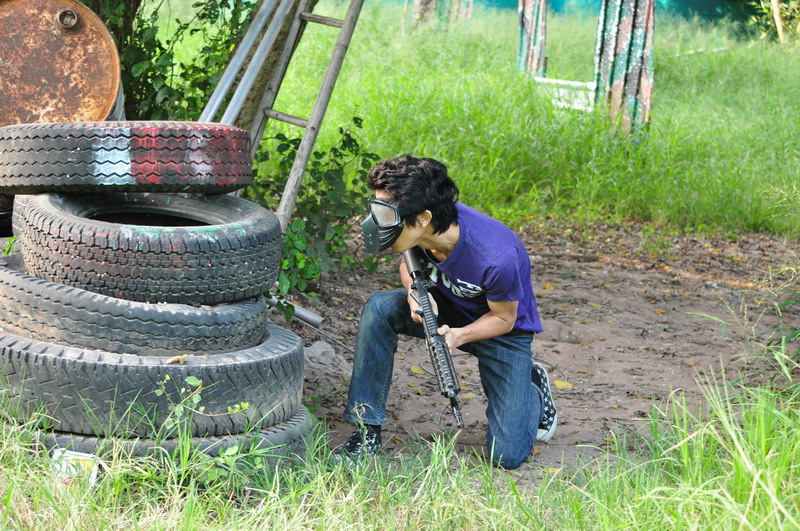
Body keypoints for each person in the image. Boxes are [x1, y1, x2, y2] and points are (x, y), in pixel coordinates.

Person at [336, 155, 556, 469]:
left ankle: (532, 387)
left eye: (385, 214)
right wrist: (414, 293)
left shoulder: (496, 257)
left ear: (424, 218)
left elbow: (505, 319)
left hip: (501, 331)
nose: (377, 221)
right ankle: (366, 431)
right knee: (380, 308)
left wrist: (458, 336)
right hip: (447, 308)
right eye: (376, 208)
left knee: (506, 456)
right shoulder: (418, 226)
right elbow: (408, 264)